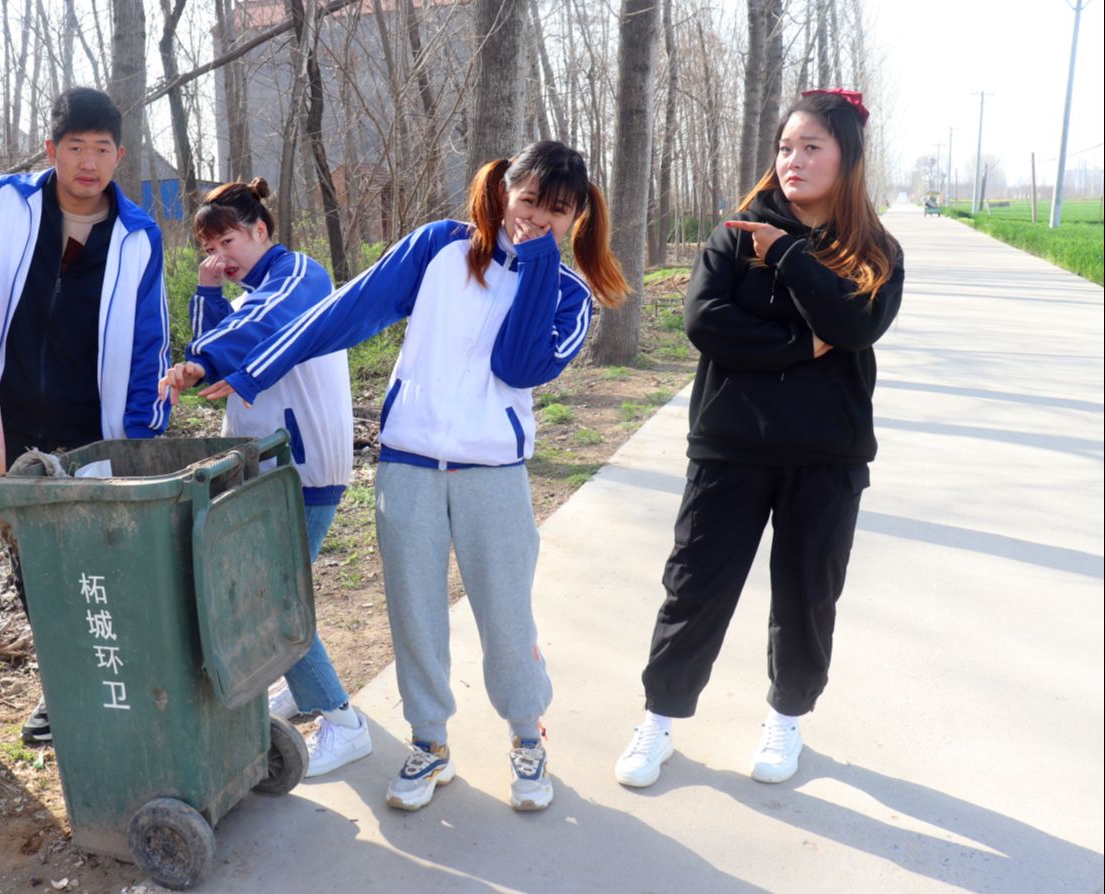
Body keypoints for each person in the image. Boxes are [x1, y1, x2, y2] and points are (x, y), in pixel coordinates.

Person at [200, 141, 628, 812]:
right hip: (408, 465)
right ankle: (429, 744)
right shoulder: (439, 248)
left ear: (575, 218)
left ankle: (525, 736)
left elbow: (518, 367)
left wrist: (539, 262)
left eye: (557, 212)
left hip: (493, 474)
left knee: (505, 615)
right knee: (414, 614)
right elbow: (346, 309)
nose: (538, 219)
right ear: (502, 192)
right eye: (529, 202)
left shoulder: (570, 297)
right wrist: (247, 369)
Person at [614, 88, 904, 788]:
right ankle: (657, 721)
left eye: (811, 147)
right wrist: (802, 346)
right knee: (693, 586)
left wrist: (790, 258)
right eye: (784, 147)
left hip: (824, 457)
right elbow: (706, 325)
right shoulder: (734, 233)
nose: (792, 161)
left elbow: (856, 326)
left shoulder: (872, 251)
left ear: (846, 159)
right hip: (730, 446)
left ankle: (787, 720)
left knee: (806, 595)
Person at [0, 86, 172, 744]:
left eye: (102, 148)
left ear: (119, 156)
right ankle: (61, 688)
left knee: (101, 561)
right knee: (32, 566)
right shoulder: (3, 205)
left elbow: (148, 343)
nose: (88, 162)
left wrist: (139, 436)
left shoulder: (137, 236)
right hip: (8, 428)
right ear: (52, 150)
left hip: (89, 431)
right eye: (76, 147)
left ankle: (122, 682)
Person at [158, 178, 373, 778]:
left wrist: (203, 359)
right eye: (210, 246)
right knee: (271, 593)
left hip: (301, 467)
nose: (222, 256)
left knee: (270, 601)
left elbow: (245, 334)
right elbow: (216, 345)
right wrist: (205, 291)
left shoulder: (299, 275)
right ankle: (308, 692)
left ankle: (341, 721)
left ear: (261, 230)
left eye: (229, 240)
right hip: (269, 466)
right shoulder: (253, 292)